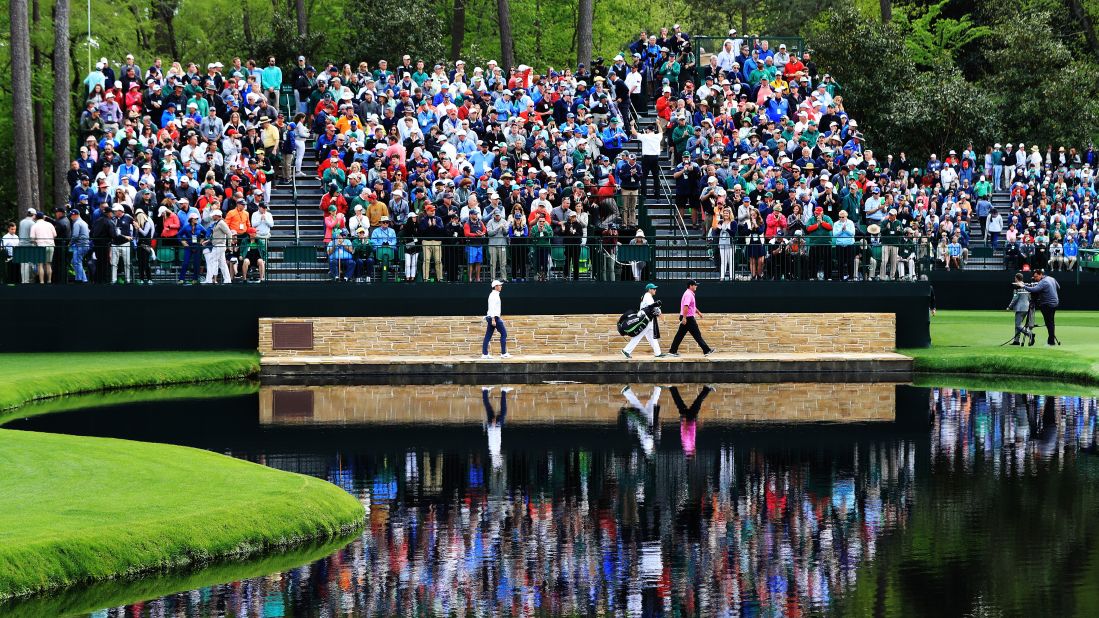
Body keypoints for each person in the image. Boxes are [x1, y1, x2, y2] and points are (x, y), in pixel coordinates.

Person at [667, 279, 714, 357]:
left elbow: (692, 306)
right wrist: (684, 318)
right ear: (691, 286)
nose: (696, 286)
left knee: (680, 335)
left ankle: (672, 351)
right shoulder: (688, 294)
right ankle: (706, 350)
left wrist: (698, 312)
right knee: (697, 334)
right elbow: (686, 306)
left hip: (686, 317)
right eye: (695, 285)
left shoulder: (689, 294)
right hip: (688, 318)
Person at [1018, 269, 1061, 345]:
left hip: (1048, 304)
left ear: (1041, 274)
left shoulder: (1043, 282)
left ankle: (1051, 342)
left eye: (1036, 276)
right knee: (1051, 322)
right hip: (1055, 303)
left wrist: (1023, 286)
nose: (1035, 278)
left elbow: (1034, 290)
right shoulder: (1051, 278)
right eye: (1034, 277)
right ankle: (1051, 340)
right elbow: (1058, 287)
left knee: (1049, 323)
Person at [622, 282, 664, 359]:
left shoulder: (648, 296)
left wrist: (659, 313)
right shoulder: (648, 295)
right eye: (654, 289)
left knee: (652, 336)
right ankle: (626, 350)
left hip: (648, 318)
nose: (655, 290)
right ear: (649, 289)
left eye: (655, 289)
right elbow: (653, 306)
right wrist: (660, 313)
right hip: (646, 319)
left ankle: (658, 353)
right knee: (639, 335)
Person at [482, 279, 510, 359]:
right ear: (495, 287)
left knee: (488, 335)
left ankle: (485, 354)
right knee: (504, 333)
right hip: (493, 318)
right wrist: (493, 319)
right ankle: (503, 353)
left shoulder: (495, 294)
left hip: (493, 317)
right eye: (499, 285)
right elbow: (492, 308)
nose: (501, 286)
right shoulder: (493, 295)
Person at [204, 209, 232, 284]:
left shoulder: (221, 223)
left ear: (217, 216)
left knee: (211, 261)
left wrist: (229, 245)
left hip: (219, 246)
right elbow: (216, 236)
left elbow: (229, 233)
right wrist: (208, 241)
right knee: (222, 264)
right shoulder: (218, 223)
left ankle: (209, 280)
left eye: (213, 215)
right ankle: (228, 280)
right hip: (218, 245)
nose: (212, 217)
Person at [1007, 272, 1035, 346]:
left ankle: (1030, 334)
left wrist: (1009, 306)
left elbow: (1015, 298)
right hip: (1027, 308)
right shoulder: (1026, 285)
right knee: (1018, 325)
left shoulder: (1016, 286)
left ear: (1016, 278)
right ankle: (1016, 341)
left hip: (1020, 308)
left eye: (1015, 278)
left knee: (1018, 325)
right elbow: (1029, 297)